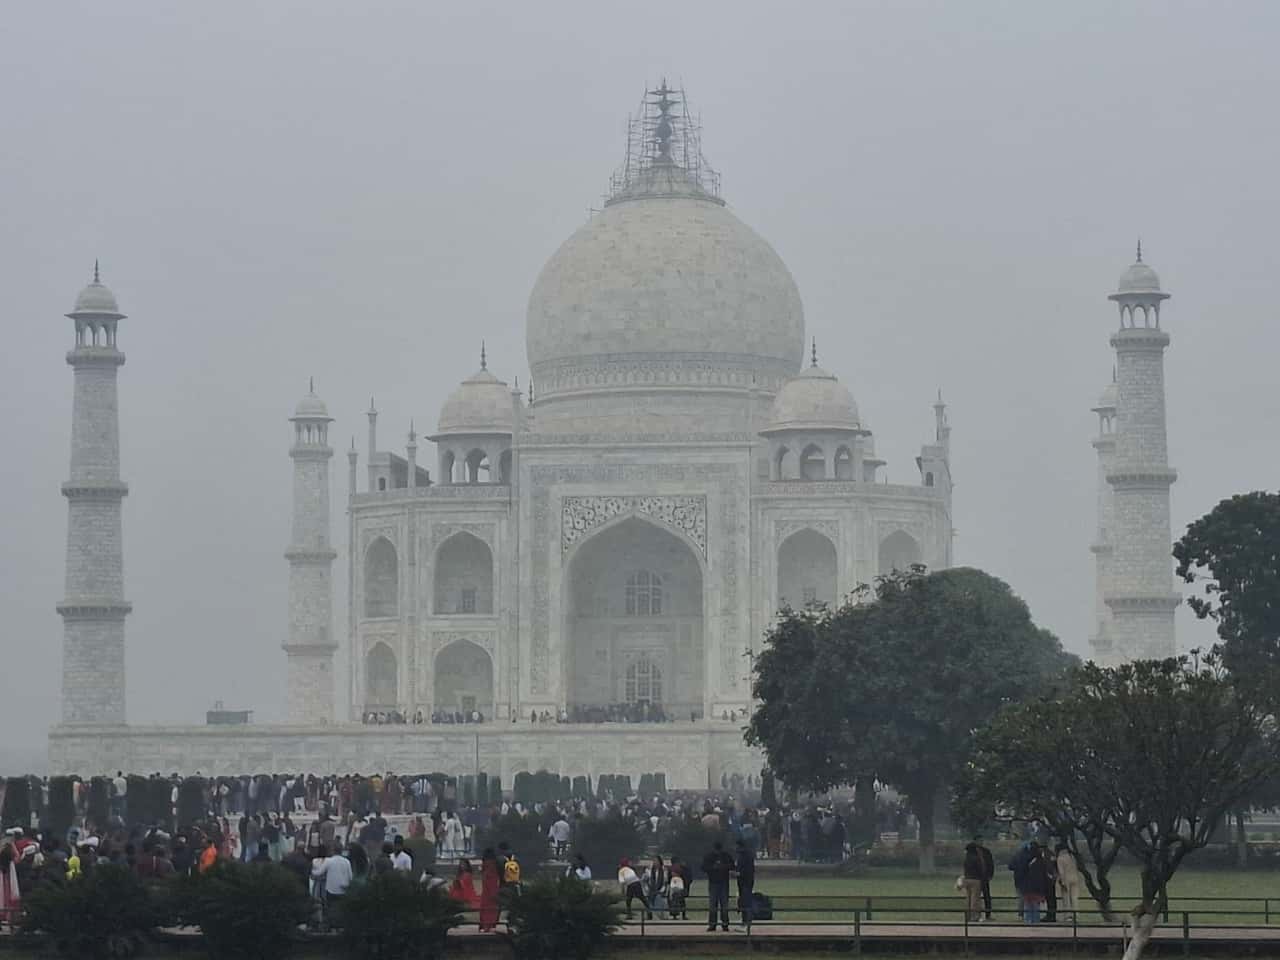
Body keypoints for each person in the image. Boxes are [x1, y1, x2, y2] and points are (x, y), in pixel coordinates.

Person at [311, 845, 353, 928]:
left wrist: (311, 871)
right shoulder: (347, 861)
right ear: (341, 851)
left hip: (331, 889)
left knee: (330, 908)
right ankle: (340, 926)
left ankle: (331, 926)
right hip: (343, 889)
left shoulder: (329, 861)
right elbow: (350, 877)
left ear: (333, 851)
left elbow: (319, 872)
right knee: (341, 908)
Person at [701, 841, 735, 932]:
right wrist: (714, 868)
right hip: (715, 883)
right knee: (715, 905)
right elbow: (704, 867)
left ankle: (723, 924)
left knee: (722, 905)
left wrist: (722, 867)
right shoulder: (722, 856)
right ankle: (715, 924)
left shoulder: (725, 856)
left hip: (721, 883)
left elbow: (732, 866)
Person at [1022, 842, 1050, 924]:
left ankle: (1028, 922)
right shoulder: (1041, 861)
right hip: (1038, 888)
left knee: (1028, 906)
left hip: (1028, 887)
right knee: (1035, 906)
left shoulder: (1027, 860)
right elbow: (1044, 876)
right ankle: (1035, 923)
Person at [1056, 843, 1082, 918]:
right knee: (1074, 898)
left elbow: (1061, 872)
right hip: (1075, 878)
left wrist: (1062, 882)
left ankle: (1068, 916)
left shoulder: (1060, 858)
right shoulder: (1072, 857)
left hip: (1066, 879)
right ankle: (1076, 915)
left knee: (1066, 899)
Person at [735, 838, 756, 929]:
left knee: (745, 901)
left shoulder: (743, 856)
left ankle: (746, 922)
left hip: (744, 881)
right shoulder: (748, 855)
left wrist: (738, 873)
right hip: (747, 881)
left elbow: (744, 870)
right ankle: (746, 921)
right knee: (745, 901)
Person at [960, 843, 984, 922]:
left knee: (968, 898)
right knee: (975, 899)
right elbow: (980, 869)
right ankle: (975, 916)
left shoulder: (966, 859)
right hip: (976, 879)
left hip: (967, 879)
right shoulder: (976, 858)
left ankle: (967, 916)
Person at [478, 849, 501, 932]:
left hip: (486, 892)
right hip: (492, 891)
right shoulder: (493, 866)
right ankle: (489, 925)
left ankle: (484, 925)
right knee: (491, 909)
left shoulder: (485, 867)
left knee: (485, 909)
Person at [974, 839, 995, 921]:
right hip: (976, 878)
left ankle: (988, 914)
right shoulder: (972, 853)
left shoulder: (986, 852)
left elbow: (990, 863)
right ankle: (976, 915)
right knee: (976, 897)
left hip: (984, 877)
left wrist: (990, 874)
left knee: (987, 896)